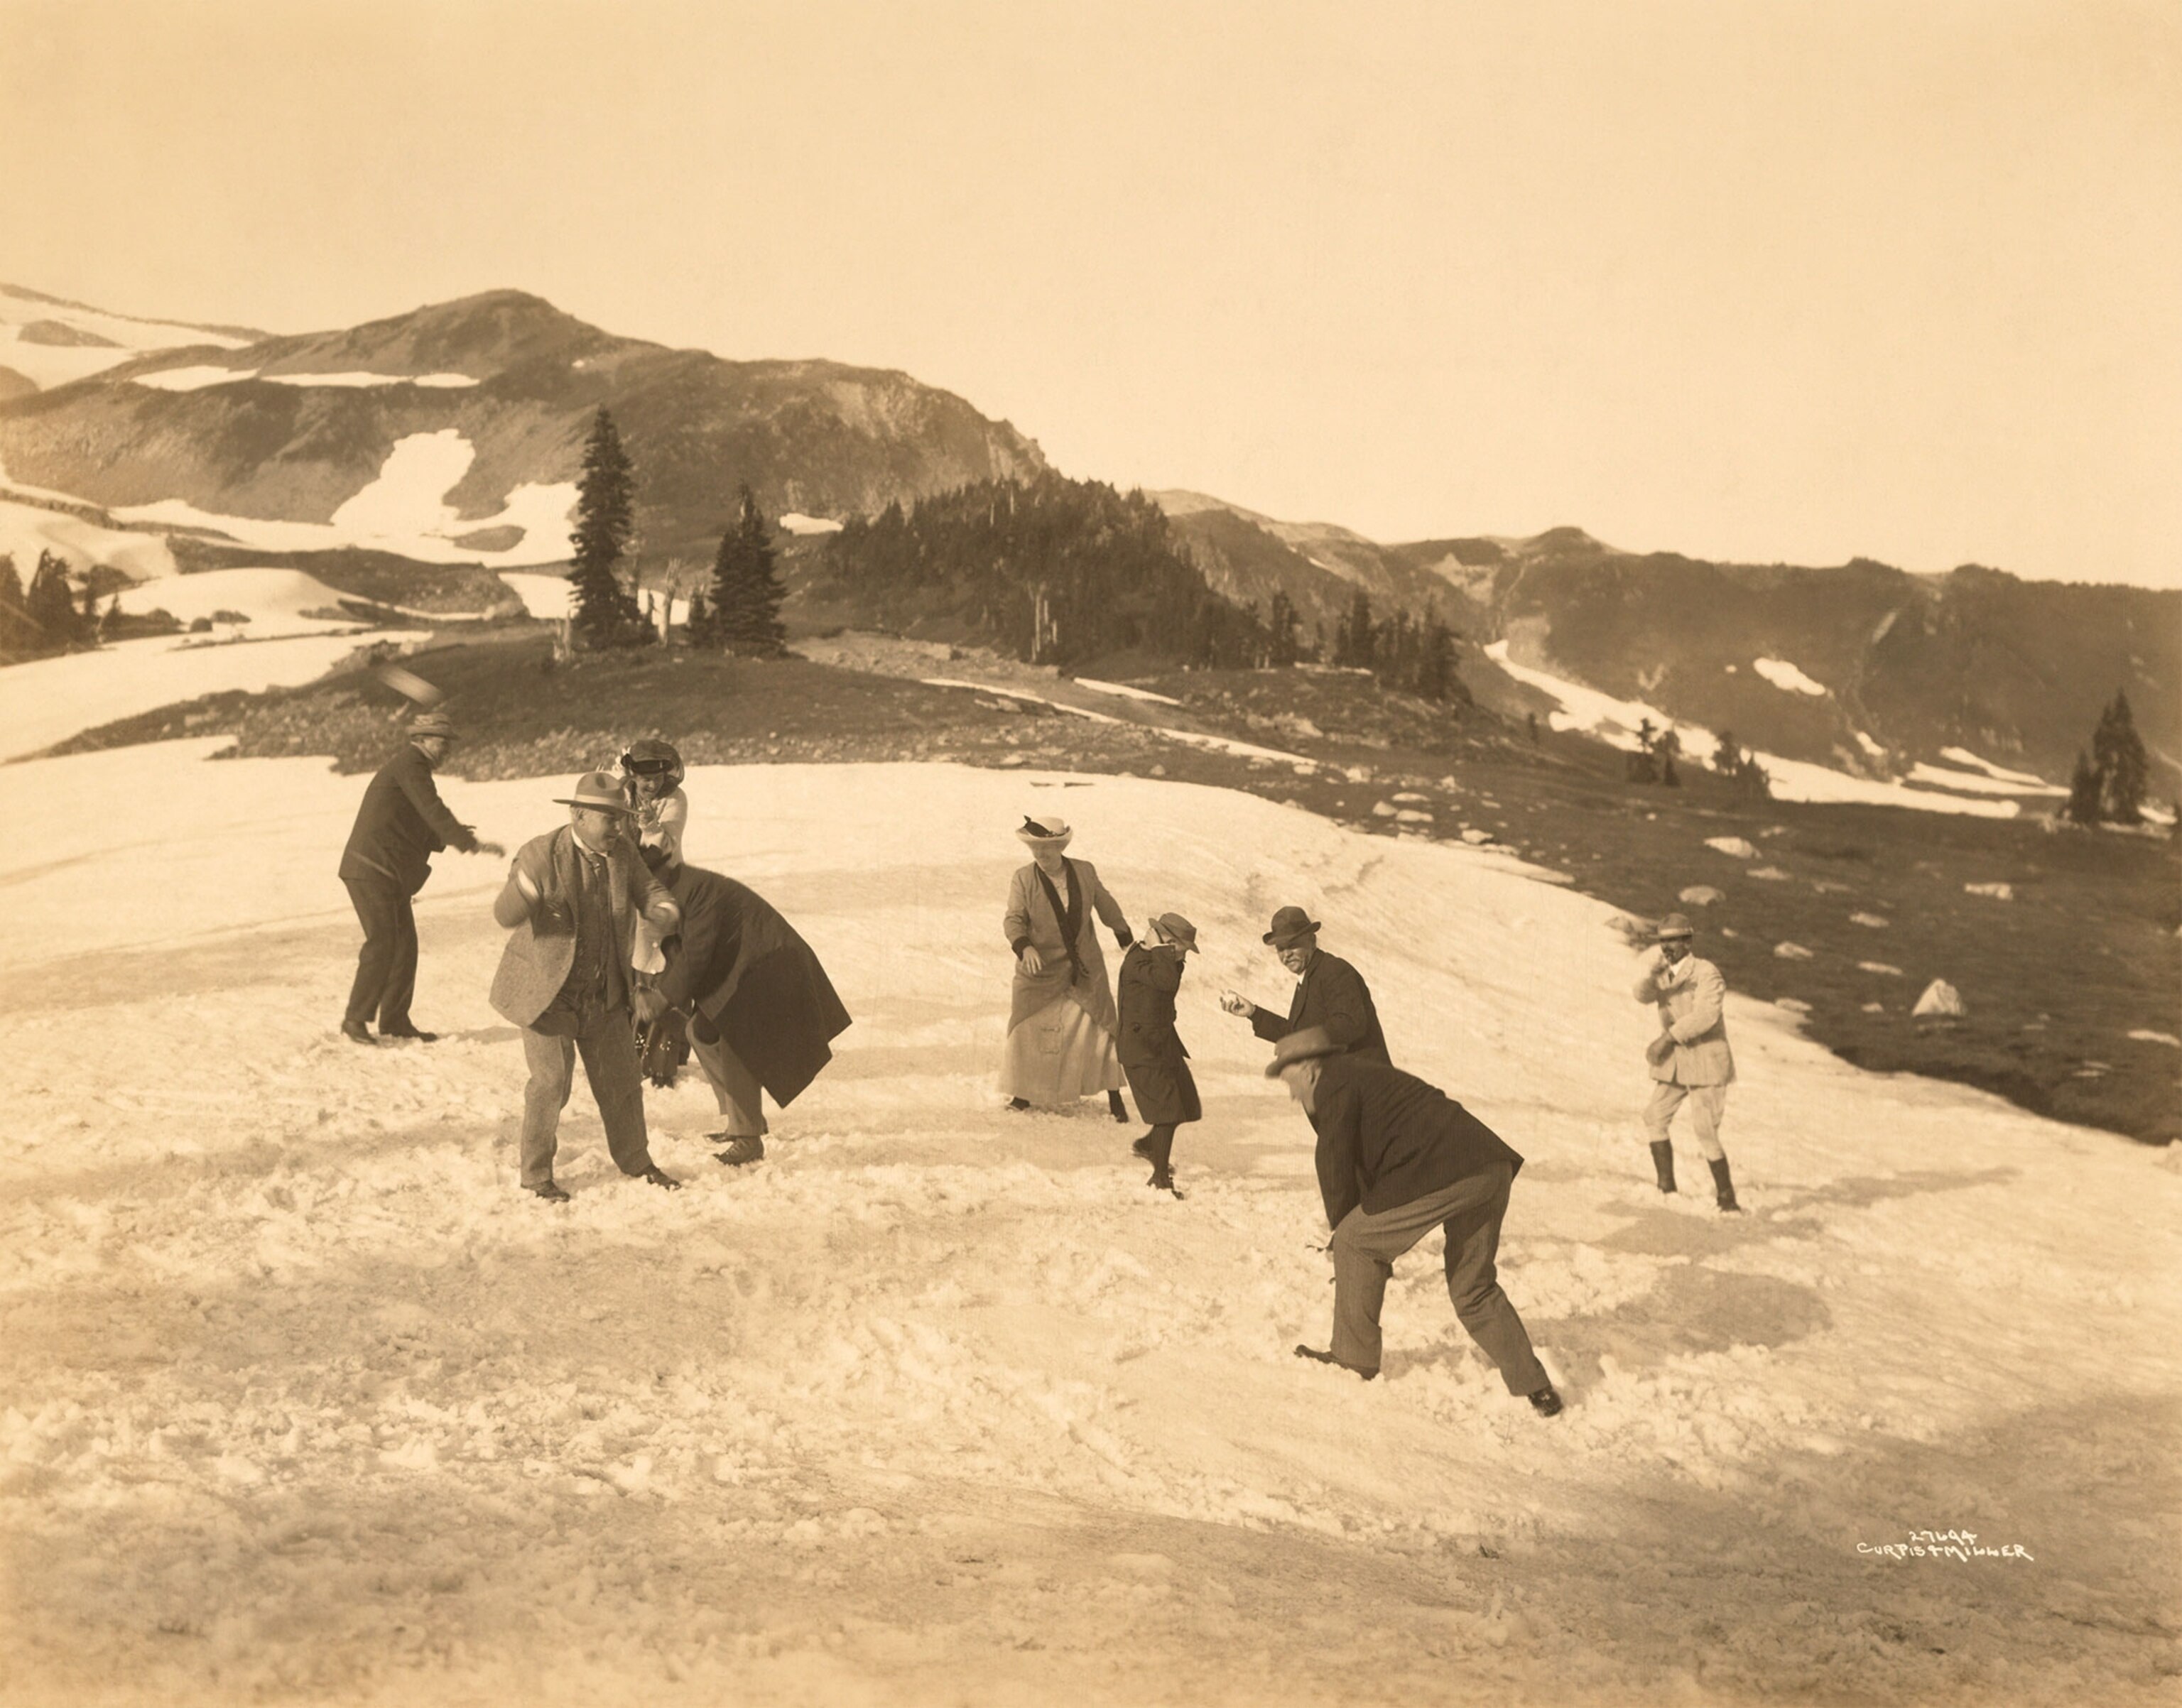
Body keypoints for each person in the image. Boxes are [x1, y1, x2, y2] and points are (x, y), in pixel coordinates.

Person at [1269, 1026, 1561, 1416]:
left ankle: (1354, 1359)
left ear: (1307, 1069)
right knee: (1473, 1287)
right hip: (1490, 1168)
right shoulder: (1363, 1075)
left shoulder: (1333, 1084)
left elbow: (1334, 1160)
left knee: (1356, 1241)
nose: (1292, 1094)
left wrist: (1342, 1233)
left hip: (1446, 1170)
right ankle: (1536, 1387)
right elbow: (1369, 1160)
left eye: (1290, 1083)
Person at [489, 771, 684, 1202]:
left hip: (604, 993)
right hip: (548, 994)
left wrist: (661, 905)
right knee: (550, 1082)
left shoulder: (621, 852)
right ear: (578, 815)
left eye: (621, 819)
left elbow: (646, 887)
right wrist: (526, 886)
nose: (618, 828)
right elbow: (504, 914)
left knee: (623, 1079)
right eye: (609, 819)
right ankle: (536, 1173)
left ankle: (637, 1161)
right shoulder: (540, 853)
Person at [634, 842, 852, 1167]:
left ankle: (748, 1138)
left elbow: (697, 957)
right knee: (700, 1032)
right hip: (745, 971)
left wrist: (662, 997)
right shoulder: (675, 896)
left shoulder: (696, 891)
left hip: (771, 967)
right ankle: (743, 1119)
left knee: (735, 1038)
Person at [337, 709, 503, 1045]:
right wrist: (466, 842)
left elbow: (416, 820)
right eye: (442, 742)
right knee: (383, 942)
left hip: (384, 871)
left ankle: (395, 1020)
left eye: (448, 743)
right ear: (421, 741)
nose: (447, 749)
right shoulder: (411, 765)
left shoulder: (412, 768)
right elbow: (432, 809)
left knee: (405, 945)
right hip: (370, 869)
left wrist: (449, 836)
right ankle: (355, 1020)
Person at [1000, 815, 1132, 1121]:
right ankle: (1022, 1093)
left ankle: (1114, 1096)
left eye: (1046, 849)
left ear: (1061, 846)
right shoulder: (1023, 878)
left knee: (1100, 1025)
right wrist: (1024, 946)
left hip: (1083, 964)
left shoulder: (1084, 871)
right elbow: (1014, 918)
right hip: (1039, 967)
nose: (1039, 855)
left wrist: (1122, 933)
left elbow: (1105, 903)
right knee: (1026, 1025)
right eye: (1034, 849)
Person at [1632, 911, 1740, 1212]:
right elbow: (1640, 995)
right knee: (1655, 1116)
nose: (1668, 948)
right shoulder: (1664, 973)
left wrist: (1666, 1039)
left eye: (1674, 942)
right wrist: (1651, 975)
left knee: (1705, 1130)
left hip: (1706, 1061)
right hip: (1678, 1063)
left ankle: (1727, 1200)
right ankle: (1666, 1189)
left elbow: (1706, 1016)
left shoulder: (1707, 973)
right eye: (1663, 942)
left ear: (1688, 942)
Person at [1219, 905, 1390, 1066]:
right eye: (1281, 948)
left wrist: (1300, 1042)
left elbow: (1349, 1024)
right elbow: (1296, 1034)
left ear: (1312, 941)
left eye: (1293, 945)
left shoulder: (1334, 971)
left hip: (1363, 1089)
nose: (1287, 954)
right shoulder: (1310, 977)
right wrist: (1254, 1013)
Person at [1116, 912, 1201, 1195]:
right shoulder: (1137, 961)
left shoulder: (1163, 960)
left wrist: (1166, 952)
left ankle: (1149, 1145)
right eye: (1179, 948)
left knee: (1185, 1105)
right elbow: (1165, 982)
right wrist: (1160, 949)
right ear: (1163, 939)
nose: (1181, 956)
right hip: (1141, 1050)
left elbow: (1170, 981)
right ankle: (1160, 1179)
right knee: (1166, 1112)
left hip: (1161, 1044)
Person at [620, 738, 690, 977]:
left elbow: (668, 846)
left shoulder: (674, 799)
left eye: (658, 779)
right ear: (633, 776)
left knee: (656, 953)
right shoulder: (620, 794)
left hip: (662, 878)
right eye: (646, 779)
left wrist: (650, 825)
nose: (653, 785)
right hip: (623, 880)